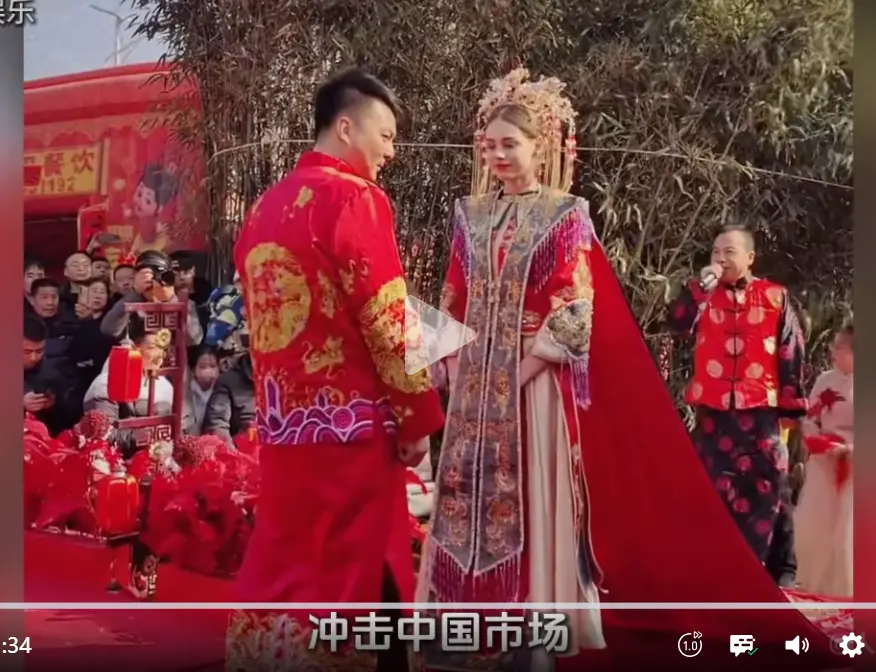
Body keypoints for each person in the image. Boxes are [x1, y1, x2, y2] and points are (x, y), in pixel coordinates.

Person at [418, 69, 836, 670]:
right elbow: (454, 291)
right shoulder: (467, 213)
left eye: (511, 143)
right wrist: (451, 366)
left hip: (532, 385)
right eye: (490, 144)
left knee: (532, 504)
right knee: (464, 498)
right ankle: (458, 626)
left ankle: (533, 633)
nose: (499, 155)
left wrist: (522, 372)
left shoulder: (566, 214)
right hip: (474, 385)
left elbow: (575, 310)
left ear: (540, 146)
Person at [226, 67, 445, 671]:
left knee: (289, 563)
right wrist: (418, 417)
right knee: (359, 565)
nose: (391, 152)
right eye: (386, 135)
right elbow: (386, 316)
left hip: (284, 428)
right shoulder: (355, 198)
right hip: (351, 430)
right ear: (346, 128)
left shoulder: (264, 207)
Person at [667, 224, 806, 586]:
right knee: (707, 489)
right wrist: (697, 291)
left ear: (750, 257)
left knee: (769, 487)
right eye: (716, 252)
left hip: (761, 412)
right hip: (714, 414)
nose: (721, 258)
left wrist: (791, 410)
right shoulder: (701, 295)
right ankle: (712, 570)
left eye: (729, 252)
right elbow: (677, 325)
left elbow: (791, 352)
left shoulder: (775, 296)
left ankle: (772, 571)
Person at [794, 325, 854, 597]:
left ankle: (848, 588)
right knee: (816, 525)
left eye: (841, 347)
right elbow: (811, 418)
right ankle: (816, 583)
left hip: (855, 464)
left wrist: (849, 449)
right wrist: (816, 440)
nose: (834, 351)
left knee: (848, 531)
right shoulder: (824, 380)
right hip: (824, 460)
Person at [83, 319, 191, 458]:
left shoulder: (166, 386)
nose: (159, 355)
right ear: (134, 349)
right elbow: (105, 434)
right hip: (118, 461)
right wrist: (147, 435)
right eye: (152, 348)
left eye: (163, 348)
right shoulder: (105, 384)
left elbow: (182, 425)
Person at [100, 250, 203, 347]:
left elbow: (194, 339)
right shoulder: (130, 301)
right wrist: (136, 293)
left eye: (159, 274)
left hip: (171, 358)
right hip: (138, 357)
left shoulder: (184, 302)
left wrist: (170, 301)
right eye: (148, 275)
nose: (154, 279)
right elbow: (108, 330)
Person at [23, 316, 66, 434]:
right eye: (26, 352)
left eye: (39, 351)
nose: (33, 358)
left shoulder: (49, 372)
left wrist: (53, 400)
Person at [187, 346, 220, 432]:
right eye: (203, 367)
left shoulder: (221, 390)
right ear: (193, 369)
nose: (209, 371)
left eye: (213, 366)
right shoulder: (187, 392)